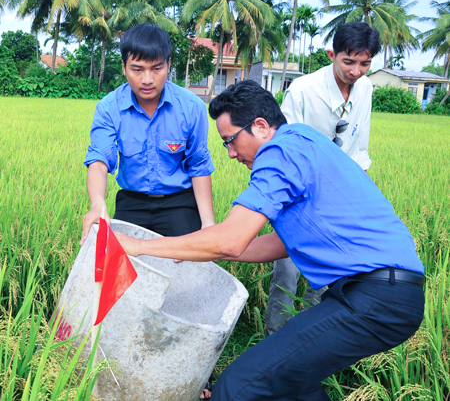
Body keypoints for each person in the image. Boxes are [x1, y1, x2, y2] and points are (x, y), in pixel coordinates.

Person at [115, 80, 425, 401]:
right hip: (387, 295)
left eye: (230, 141)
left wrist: (139, 247)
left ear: (261, 127)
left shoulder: (280, 152)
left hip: (374, 297)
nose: (232, 154)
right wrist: (200, 251)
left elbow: (232, 240)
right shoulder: (303, 141)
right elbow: (275, 244)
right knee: (295, 384)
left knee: (237, 387)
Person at [80, 24, 216, 398]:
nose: (147, 78)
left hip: (179, 202)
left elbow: (199, 166)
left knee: (189, 281)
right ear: (124, 66)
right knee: (120, 281)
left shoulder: (190, 106)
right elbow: (99, 158)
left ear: (169, 65)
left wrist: (207, 226)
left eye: (156, 68)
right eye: (137, 68)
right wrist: (99, 206)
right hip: (133, 202)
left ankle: (194, 375)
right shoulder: (109, 107)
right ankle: (115, 363)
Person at [265, 22, 381, 336]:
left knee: (328, 272)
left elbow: (360, 147)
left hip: (339, 198)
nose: (356, 71)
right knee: (286, 271)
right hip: (298, 196)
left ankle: (307, 337)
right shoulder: (303, 90)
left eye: (365, 63)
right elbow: (286, 149)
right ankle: (274, 336)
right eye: (349, 61)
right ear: (332, 54)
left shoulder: (366, 88)